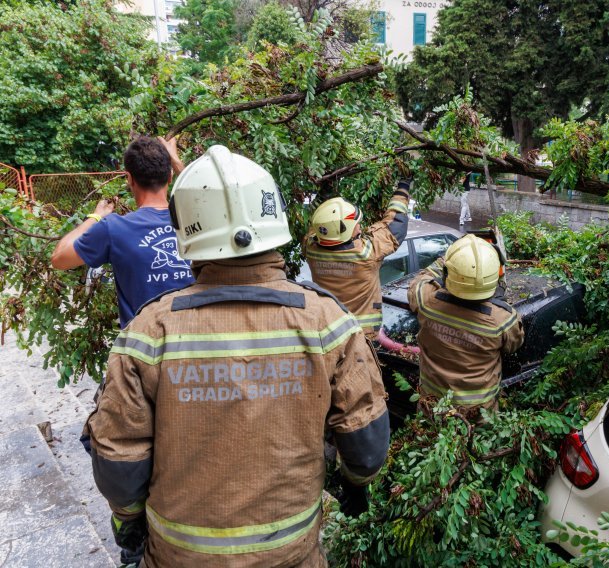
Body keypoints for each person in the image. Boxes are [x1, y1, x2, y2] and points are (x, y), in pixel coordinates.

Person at [87, 145, 390, 567]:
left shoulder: (147, 334)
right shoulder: (329, 324)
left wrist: (130, 520)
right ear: (275, 217)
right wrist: (354, 486)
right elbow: (367, 448)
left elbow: (119, 466)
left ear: (184, 229)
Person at [51, 136, 194, 329]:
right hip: (195, 346)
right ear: (170, 176)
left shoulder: (112, 227)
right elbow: (199, 196)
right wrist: (175, 160)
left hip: (143, 352)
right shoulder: (195, 218)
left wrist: (95, 217)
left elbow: (59, 258)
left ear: (129, 179)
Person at [408, 234, 524, 409]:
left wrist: (446, 261)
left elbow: (419, 281)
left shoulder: (425, 301)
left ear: (448, 273)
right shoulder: (504, 319)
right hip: (478, 418)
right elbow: (515, 345)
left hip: (432, 409)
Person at [302, 180, 410, 340]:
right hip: (362, 335)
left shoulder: (310, 248)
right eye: (357, 224)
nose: (360, 226)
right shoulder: (367, 252)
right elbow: (397, 223)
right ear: (345, 231)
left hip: (327, 329)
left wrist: (325, 193)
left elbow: (320, 225)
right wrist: (403, 187)